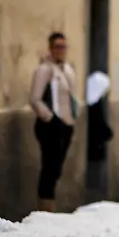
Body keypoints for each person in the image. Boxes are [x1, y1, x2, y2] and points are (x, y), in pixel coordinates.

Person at [29, 32, 78, 213]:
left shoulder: (67, 70)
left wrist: (71, 120)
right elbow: (35, 99)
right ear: (50, 48)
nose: (61, 50)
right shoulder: (45, 69)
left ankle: (49, 208)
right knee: (49, 168)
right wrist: (50, 118)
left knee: (56, 168)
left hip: (66, 124)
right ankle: (45, 209)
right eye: (57, 46)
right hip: (51, 125)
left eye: (63, 46)